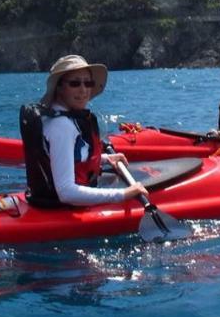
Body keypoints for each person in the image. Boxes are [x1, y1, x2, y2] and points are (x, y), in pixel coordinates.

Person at [19, 55, 146, 207]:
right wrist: (124, 194)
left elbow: (70, 156)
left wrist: (104, 159)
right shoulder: (62, 126)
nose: (83, 90)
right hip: (61, 207)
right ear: (59, 87)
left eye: (88, 83)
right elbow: (66, 192)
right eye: (75, 83)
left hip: (50, 197)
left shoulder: (60, 116)